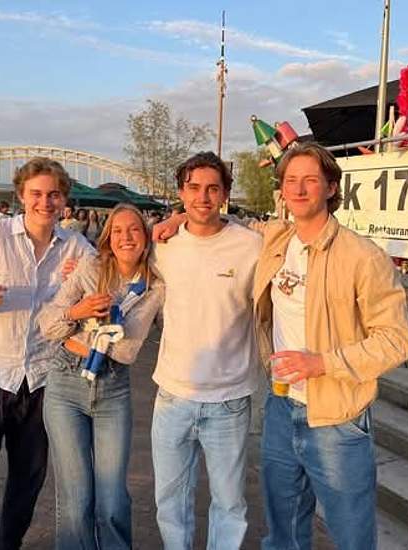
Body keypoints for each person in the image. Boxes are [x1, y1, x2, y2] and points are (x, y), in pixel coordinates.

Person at [253, 143, 408, 549]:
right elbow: (224, 225)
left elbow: (396, 340)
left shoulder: (363, 256)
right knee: (283, 534)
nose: (298, 189)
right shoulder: (276, 240)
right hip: (280, 405)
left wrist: (321, 363)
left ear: (330, 188)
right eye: (291, 180)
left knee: (352, 538)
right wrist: (177, 219)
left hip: (337, 417)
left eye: (310, 180)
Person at [0, 157, 93, 550]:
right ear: (21, 195)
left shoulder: (76, 248)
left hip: (44, 379)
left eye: (54, 194)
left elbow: (111, 275)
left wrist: (82, 283)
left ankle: (8, 544)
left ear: (64, 199)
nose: (45, 202)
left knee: (28, 480)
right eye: (37, 194)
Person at [150, 151, 262, 549]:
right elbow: (118, 259)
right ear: (181, 193)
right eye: (194, 188)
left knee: (229, 504)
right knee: (170, 502)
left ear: (225, 194)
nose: (203, 197)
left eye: (213, 188)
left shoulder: (251, 246)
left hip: (228, 400)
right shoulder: (162, 247)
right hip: (172, 396)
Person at [39, 203, 163, 549]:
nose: (126, 237)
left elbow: (170, 333)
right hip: (66, 379)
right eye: (118, 231)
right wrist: (77, 312)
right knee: (76, 498)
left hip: (113, 386)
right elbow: (47, 324)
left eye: (134, 229)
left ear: (146, 237)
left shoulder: (156, 287)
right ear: (108, 238)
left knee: (111, 499)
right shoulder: (89, 268)